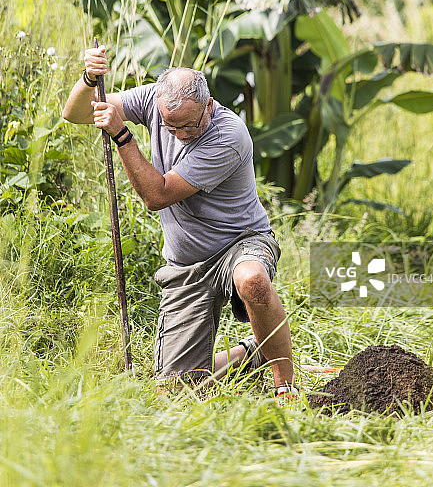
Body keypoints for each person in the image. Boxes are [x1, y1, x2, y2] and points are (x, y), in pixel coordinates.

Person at [62, 45, 298, 405]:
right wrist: (90, 79)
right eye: (169, 126)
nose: (179, 134)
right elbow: (76, 113)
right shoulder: (156, 102)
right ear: (158, 105)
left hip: (240, 242)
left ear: (208, 105)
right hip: (186, 265)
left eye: (189, 125)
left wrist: (122, 136)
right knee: (175, 392)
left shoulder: (227, 135)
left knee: (251, 279)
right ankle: (252, 353)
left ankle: (286, 388)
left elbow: (157, 195)